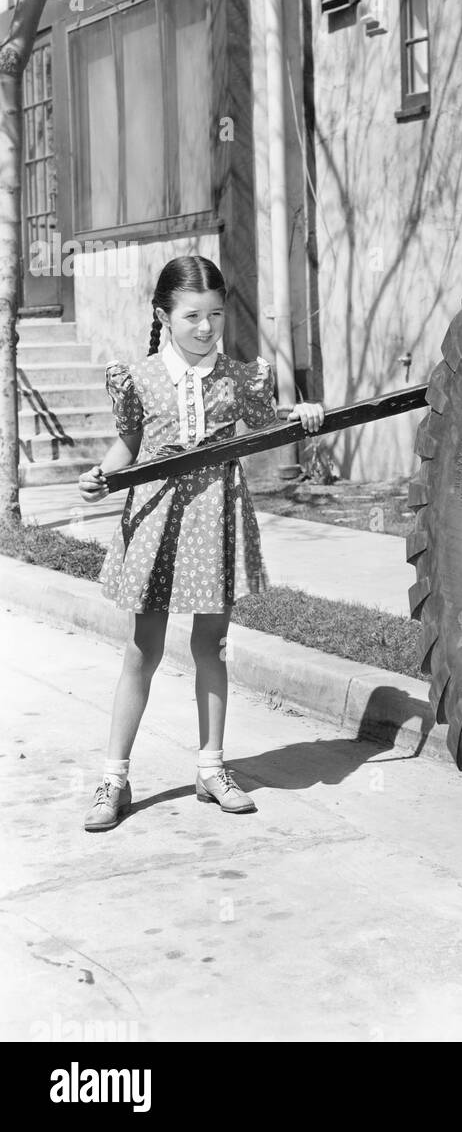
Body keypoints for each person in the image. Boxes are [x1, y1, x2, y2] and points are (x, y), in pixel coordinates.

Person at [77, 255, 324, 832]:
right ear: (162, 316)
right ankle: (113, 776)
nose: (206, 327)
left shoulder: (239, 379)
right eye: (192, 316)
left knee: (212, 644)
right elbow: (127, 446)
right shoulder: (137, 378)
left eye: (215, 314)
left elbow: (272, 425)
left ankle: (211, 766)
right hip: (158, 521)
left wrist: (305, 413)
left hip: (214, 521)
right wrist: (100, 476)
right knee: (143, 648)